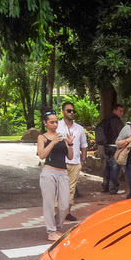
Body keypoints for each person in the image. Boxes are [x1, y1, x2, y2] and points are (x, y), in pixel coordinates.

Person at [37, 110, 74, 241]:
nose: (54, 125)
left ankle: (58, 228)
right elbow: (41, 155)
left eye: (56, 122)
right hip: (49, 172)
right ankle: (51, 231)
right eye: (51, 122)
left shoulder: (61, 136)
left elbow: (70, 157)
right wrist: (52, 142)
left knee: (64, 205)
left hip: (63, 172)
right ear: (45, 123)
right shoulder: (42, 137)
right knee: (49, 203)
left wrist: (70, 144)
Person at [57, 102, 88, 221]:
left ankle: (67, 212)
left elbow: (84, 145)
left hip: (75, 163)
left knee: (71, 189)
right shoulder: (57, 126)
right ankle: (57, 212)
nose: (71, 113)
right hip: (60, 162)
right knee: (59, 188)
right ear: (63, 112)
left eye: (73, 111)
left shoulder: (79, 128)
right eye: (69, 110)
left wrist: (83, 161)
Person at [99, 104, 125, 194]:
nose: (122, 113)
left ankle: (105, 186)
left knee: (107, 167)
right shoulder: (116, 121)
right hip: (115, 146)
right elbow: (122, 134)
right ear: (115, 110)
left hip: (106, 146)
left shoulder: (106, 120)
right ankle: (113, 188)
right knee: (115, 167)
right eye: (120, 111)